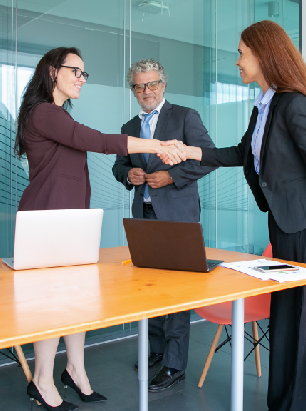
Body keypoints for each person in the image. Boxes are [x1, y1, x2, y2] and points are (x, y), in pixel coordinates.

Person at [163, 21, 306, 411]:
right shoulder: (265, 106)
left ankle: (292, 404)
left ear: (262, 54)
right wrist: (191, 152)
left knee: (296, 316)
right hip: (285, 223)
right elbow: (241, 153)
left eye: (241, 52)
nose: (236, 61)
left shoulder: (293, 104)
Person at [14, 48, 183, 411]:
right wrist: (155, 144)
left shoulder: (57, 114)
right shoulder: (44, 113)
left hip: (71, 220)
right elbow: (98, 141)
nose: (81, 78)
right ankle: (41, 381)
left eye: (83, 73)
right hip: (47, 220)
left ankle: (75, 369)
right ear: (52, 71)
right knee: (52, 304)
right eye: (75, 71)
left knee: (76, 300)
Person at [112, 59, 215, 392]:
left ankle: (174, 363)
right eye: (140, 86)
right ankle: (156, 350)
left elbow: (207, 156)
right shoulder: (129, 125)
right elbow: (119, 164)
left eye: (152, 84)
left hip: (177, 217)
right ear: (133, 90)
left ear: (163, 85)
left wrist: (172, 175)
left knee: (178, 292)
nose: (146, 91)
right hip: (144, 219)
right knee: (150, 289)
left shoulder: (185, 117)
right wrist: (128, 174)